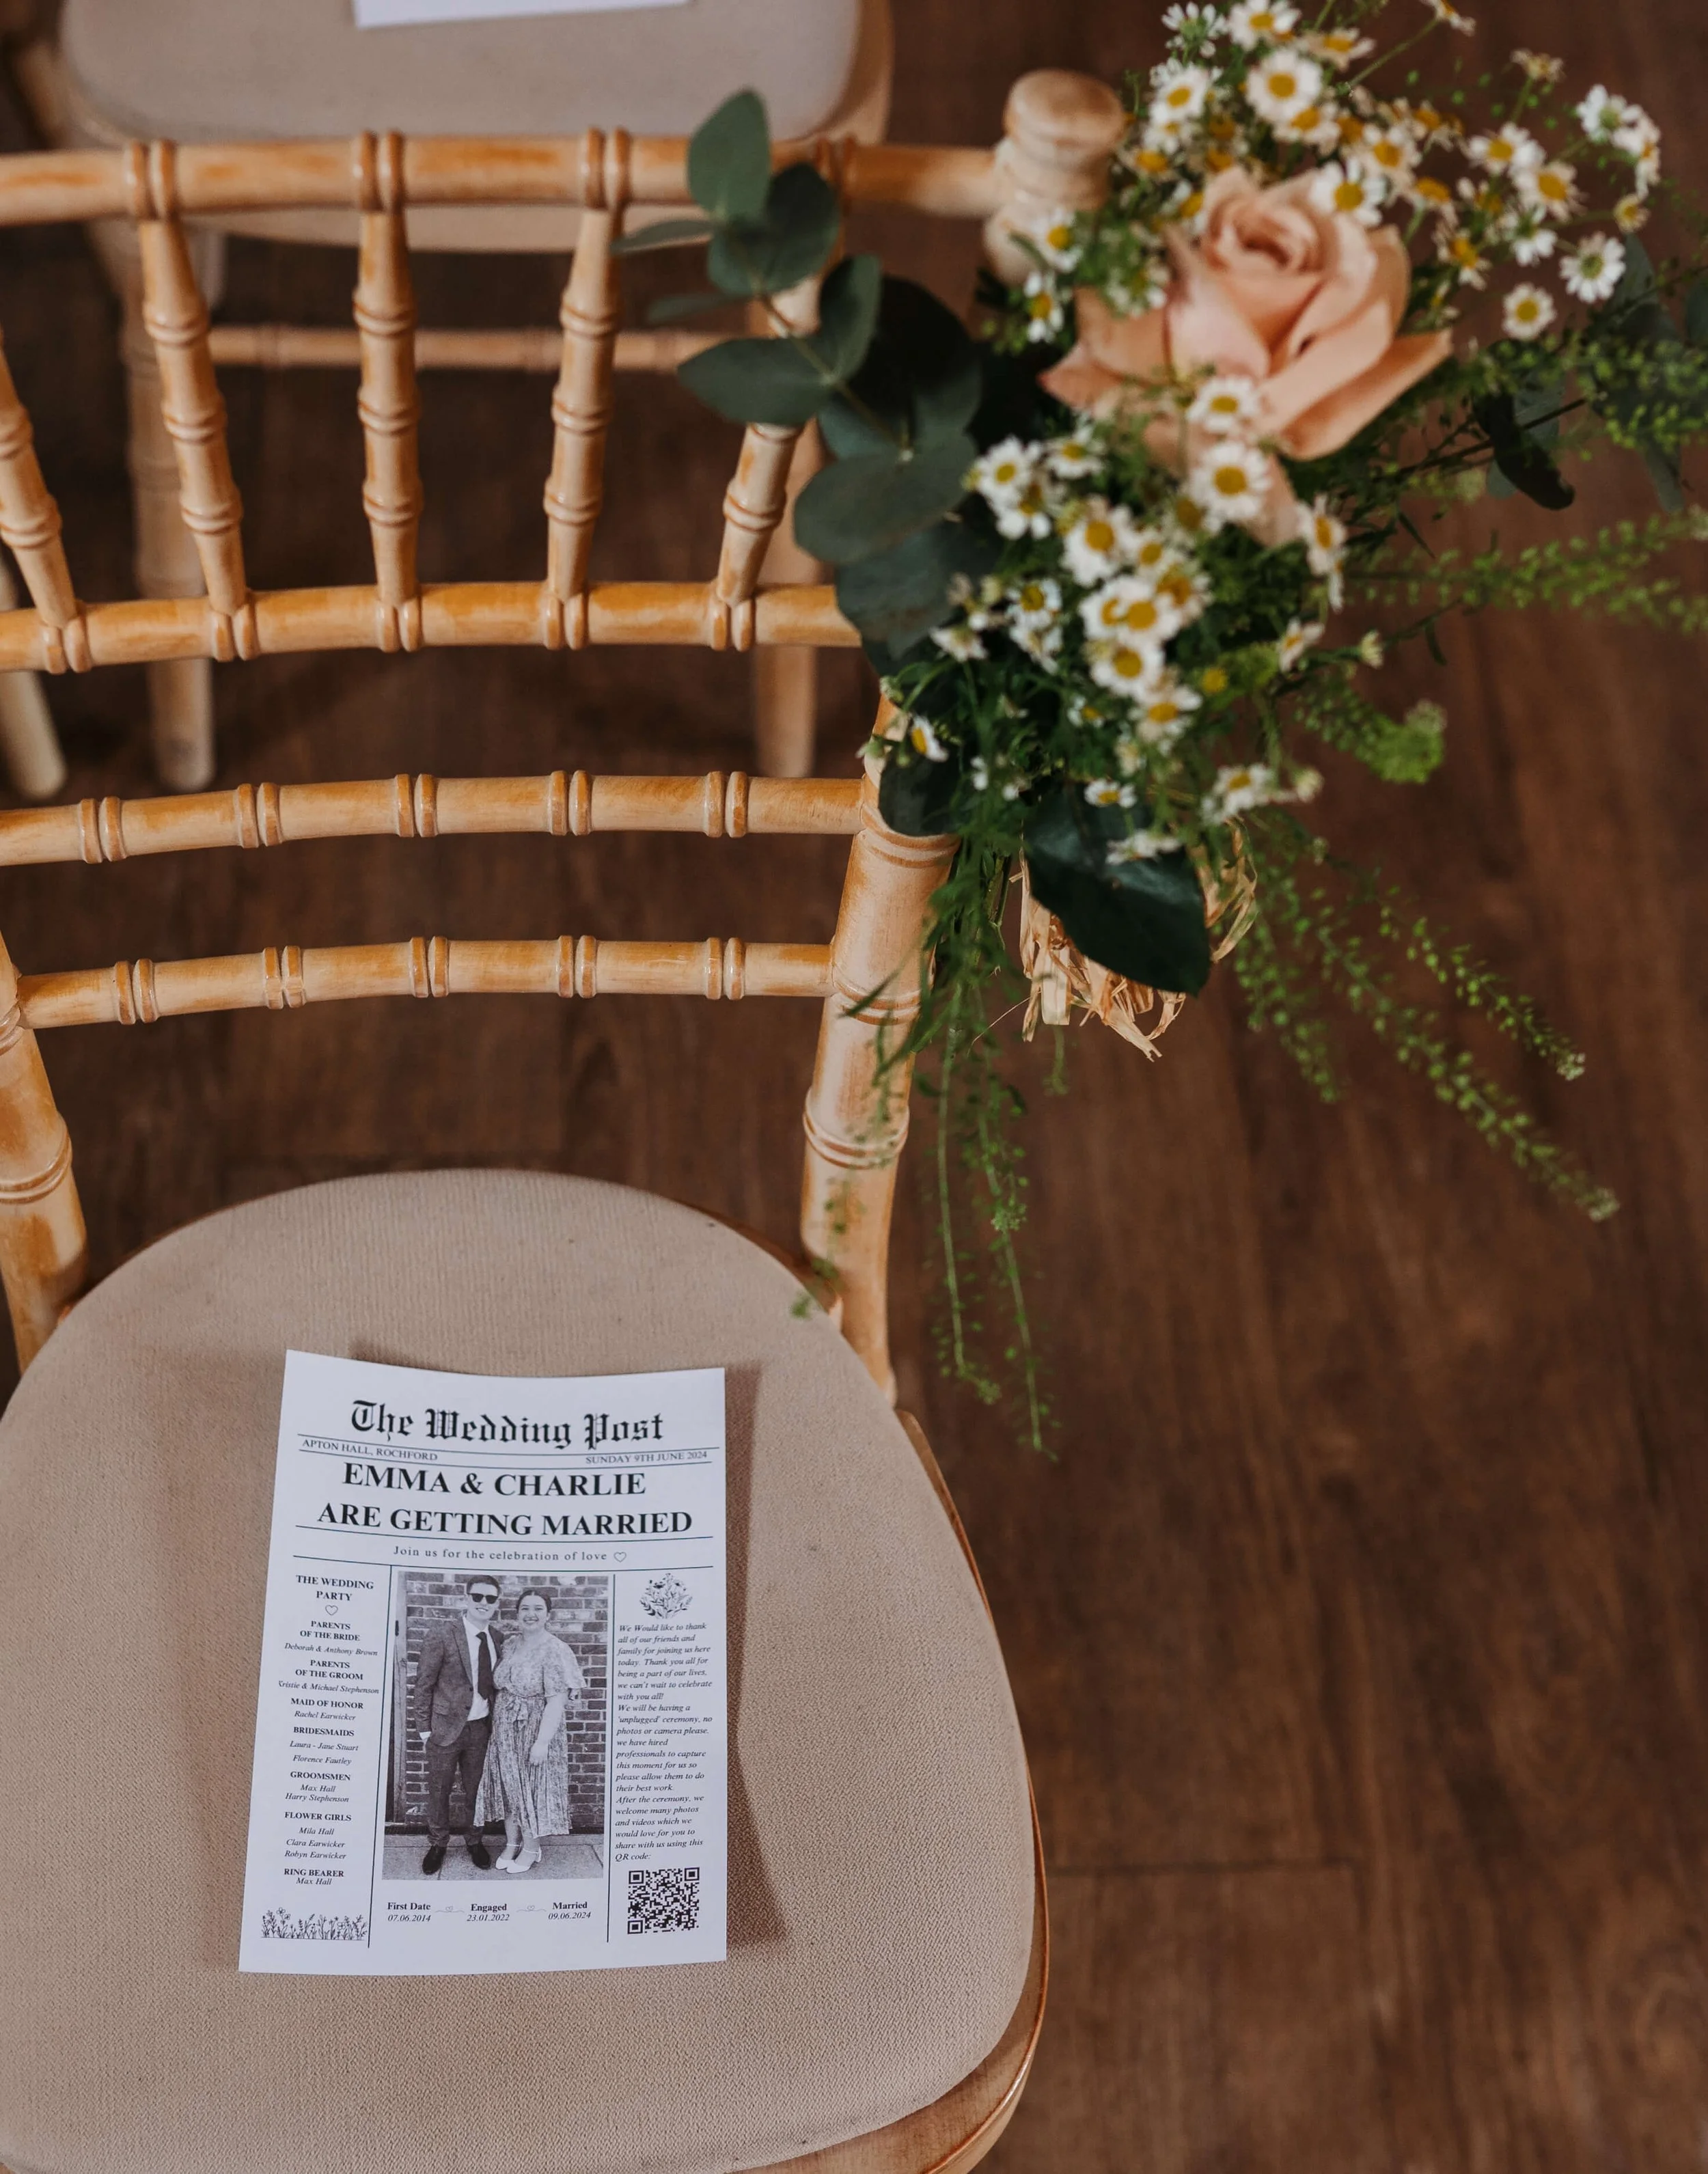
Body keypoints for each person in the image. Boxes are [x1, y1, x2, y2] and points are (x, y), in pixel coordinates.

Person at [478, 1587, 586, 1875]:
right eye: (525, 1608)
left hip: (535, 1729)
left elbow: (556, 1702)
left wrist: (542, 1743)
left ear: (548, 1615)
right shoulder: (510, 1645)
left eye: (538, 1608)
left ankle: (532, 1847)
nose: (531, 1614)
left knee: (531, 1789)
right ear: (517, 1613)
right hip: (505, 1729)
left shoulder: (556, 1649)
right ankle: (512, 1842)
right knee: (510, 1787)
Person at [411, 1574, 502, 1875]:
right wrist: (425, 1729)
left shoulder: (498, 1638)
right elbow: (424, 1684)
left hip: (481, 1729)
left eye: (490, 1599)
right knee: (439, 1789)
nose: (483, 1603)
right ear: (466, 1599)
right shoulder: (442, 1634)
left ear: (496, 1604)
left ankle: (474, 1841)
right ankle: (438, 1843)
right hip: (444, 1730)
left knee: (476, 1790)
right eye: (478, 1597)